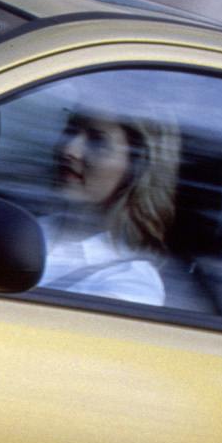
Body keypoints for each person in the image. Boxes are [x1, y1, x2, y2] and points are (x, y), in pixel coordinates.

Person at [34, 103, 181, 306]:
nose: (69, 149)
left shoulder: (129, 284)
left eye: (97, 141)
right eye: (71, 130)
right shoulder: (27, 226)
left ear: (135, 167)